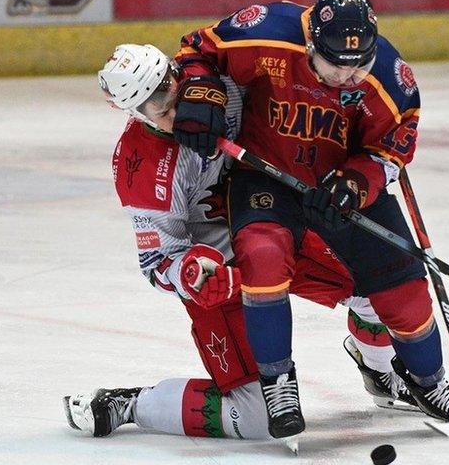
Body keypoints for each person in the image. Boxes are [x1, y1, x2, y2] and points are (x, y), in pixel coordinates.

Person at [171, 0, 449, 438]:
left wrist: (355, 184)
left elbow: (389, 151)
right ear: (311, 43)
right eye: (336, 63)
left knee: (402, 280)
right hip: (266, 175)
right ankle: (277, 382)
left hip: (341, 186)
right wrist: (201, 93)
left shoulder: (391, 80)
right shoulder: (267, 30)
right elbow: (197, 49)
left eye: (358, 65)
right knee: (261, 257)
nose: (347, 75)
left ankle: (428, 382)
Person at [63, 43, 417, 440]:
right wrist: (193, 271)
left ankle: (382, 373)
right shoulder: (141, 166)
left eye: (169, 90)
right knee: (256, 421)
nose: (174, 111)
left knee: (376, 286)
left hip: (280, 229)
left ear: (176, 72)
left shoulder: (225, 86)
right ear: (134, 113)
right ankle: (134, 404)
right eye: (157, 109)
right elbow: (158, 262)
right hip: (225, 272)